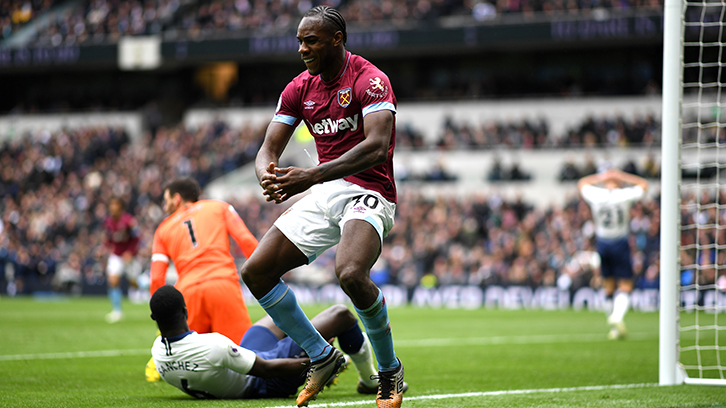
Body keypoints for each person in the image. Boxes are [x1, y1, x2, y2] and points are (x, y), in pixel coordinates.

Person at [238, 6, 404, 408]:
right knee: (256, 272)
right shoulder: (299, 87)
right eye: (299, 40)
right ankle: (322, 355)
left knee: (349, 273)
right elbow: (267, 150)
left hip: (370, 190)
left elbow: (377, 146)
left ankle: (389, 371)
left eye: (310, 40)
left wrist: (309, 176)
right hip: (325, 192)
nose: (302, 48)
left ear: (337, 39)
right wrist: (268, 175)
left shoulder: (371, 80)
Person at [150, 285, 407, 400]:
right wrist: (320, 361)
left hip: (241, 365)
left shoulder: (158, 352)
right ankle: (368, 380)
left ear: (154, 318)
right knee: (342, 314)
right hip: (264, 380)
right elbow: (266, 369)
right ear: (186, 310)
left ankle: (315, 335)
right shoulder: (212, 345)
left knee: (277, 317)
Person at [147, 177, 259, 380]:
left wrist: (162, 319)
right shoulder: (220, 207)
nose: (165, 207)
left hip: (187, 294)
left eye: (167, 200)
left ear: (177, 198)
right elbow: (246, 240)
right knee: (246, 357)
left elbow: (156, 279)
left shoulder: (162, 229)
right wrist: (266, 273)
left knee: (189, 362)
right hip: (222, 284)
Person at [578, 168, 649, 339]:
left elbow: (581, 183)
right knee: (625, 284)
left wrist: (601, 177)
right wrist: (622, 176)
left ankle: (614, 328)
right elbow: (644, 184)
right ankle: (616, 317)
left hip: (602, 242)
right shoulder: (624, 195)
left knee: (608, 285)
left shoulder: (596, 195)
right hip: (620, 242)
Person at [103, 196, 141, 324]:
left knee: (134, 283)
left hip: (129, 257)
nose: (113, 208)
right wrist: (103, 248)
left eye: (115, 205)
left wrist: (131, 252)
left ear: (121, 207)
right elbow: (108, 238)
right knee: (113, 281)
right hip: (116, 255)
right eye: (111, 205)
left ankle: (146, 288)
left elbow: (137, 238)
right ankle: (117, 310)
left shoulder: (129, 221)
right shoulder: (108, 221)